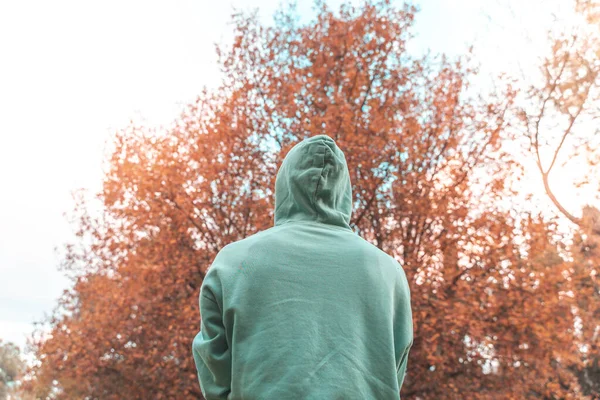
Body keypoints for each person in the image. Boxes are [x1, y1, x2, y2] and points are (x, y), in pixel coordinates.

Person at [191, 134, 413, 399]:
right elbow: (393, 368)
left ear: (285, 185)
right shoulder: (389, 272)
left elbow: (213, 365)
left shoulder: (234, 261)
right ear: (343, 192)